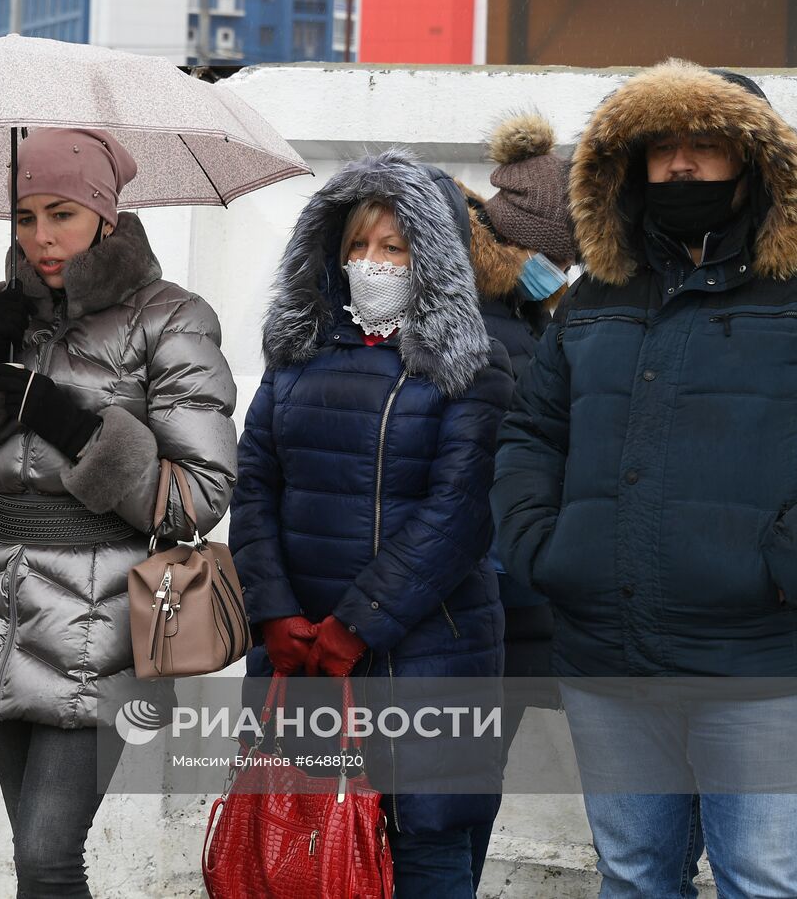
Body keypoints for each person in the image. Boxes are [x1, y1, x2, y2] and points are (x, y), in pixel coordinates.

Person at [492, 59, 797, 898]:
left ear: (754, 162)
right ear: (631, 165)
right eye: (662, 148)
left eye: (707, 145)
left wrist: (780, 567)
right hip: (609, 654)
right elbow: (532, 429)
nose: (682, 165)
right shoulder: (596, 296)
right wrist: (543, 547)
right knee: (631, 876)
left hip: (760, 660)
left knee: (761, 880)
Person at [0, 127, 237, 898]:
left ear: (106, 217)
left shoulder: (171, 317)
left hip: (112, 613)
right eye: (25, 216)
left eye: (62, 213)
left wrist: (69, 419)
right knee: (31, 853)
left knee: (49, 852)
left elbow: (198, 495)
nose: (42, 237)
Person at [231, 149, 513, 897]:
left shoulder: (473, 368)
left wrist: (355, 625)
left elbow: (456, 512)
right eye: (357, 245)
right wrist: (276, 612)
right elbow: (253, 487)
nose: (372, 262)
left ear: (434, 258)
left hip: (429, 665)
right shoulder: (294, 360)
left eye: (394, 246)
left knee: (428, 859)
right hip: (304, 667)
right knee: (301, 859)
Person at [456, 111, 576, 878]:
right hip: (505, 598)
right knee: (463, 787)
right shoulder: (502, 334)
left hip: (504, 596)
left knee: (462, 784)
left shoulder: (522, 325)